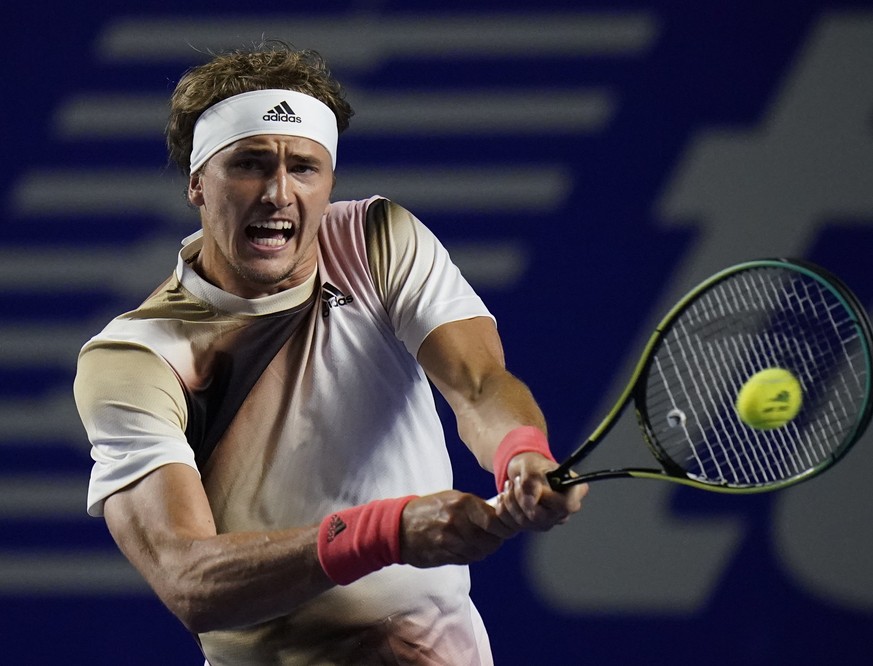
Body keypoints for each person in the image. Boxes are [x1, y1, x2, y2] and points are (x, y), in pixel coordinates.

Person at [73, 42, 587, 665]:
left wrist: (522, 455)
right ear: (197, 185)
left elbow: (479, 384)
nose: (277, 193)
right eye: (250, 164)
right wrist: (386, 531)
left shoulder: (376, 241)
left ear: (330, 182)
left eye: (304, 168)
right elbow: (189, 579)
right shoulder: (138, 357)